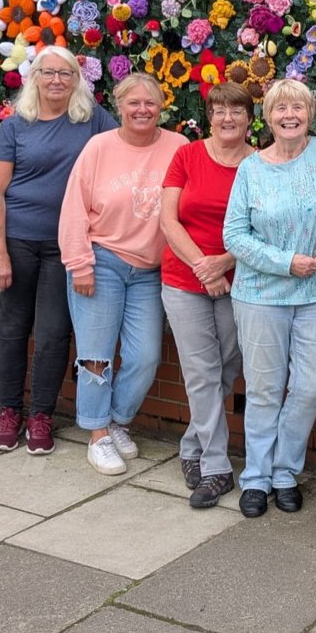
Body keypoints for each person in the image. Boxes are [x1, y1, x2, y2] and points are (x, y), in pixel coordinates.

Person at [223, 79, 316, 518]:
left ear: (310, 113)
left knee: (312, 384)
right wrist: (285, 263)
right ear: (268, 117)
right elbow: (234, 236)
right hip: (260, 294)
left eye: (297, 107)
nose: (289, 116)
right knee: (263, 389)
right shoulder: (251, 169)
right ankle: (257, 478)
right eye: (280, 109)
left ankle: (285, 472)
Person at [0, 47, 117, 455]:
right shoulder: (15, 126)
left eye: (65, 73)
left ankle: (41, 414)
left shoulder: (93, 120)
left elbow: (127, 148)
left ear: (77, 79)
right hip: (17, 241)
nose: (56, 80)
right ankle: (10, 411)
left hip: (67, 245)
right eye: (48, 72)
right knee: (10, 329)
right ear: (34, 77)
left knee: (54, 333)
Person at [60, 73, 186, 475]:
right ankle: (97, 435)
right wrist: (80, 264)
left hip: (149, 269)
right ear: (119, 106)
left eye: (150, 102)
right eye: (134, 103)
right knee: (96, 356)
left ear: (161, 106)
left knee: (145, 356)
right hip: (102, 261)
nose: (142, 110)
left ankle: (116, 420)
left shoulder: (178, 146)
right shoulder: (99, 147)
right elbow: (73, 208)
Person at [160, 83, 256, 509]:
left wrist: (224, 263)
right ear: (210, 117)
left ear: (250, 118)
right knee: (201, 372)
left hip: (240, 281)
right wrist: (205, 266)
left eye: (236, 110)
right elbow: (168, 220)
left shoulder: (260, 164)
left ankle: (191, 445)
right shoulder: (187, 156)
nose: (227, 118)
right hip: (185, 280)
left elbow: (264, 229)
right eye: (219, 110)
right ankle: (216, 467)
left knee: (226, 369)